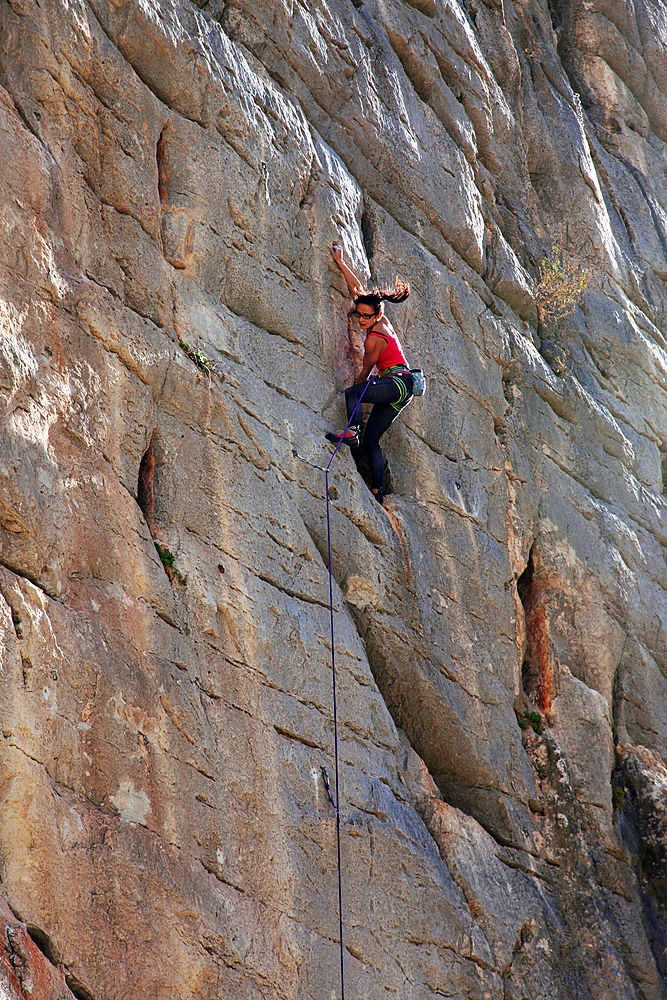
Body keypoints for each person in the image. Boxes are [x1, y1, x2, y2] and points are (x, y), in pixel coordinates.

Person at [326, 243, 413, 505]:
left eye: (365, 317)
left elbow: (364, 373)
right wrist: (341, 263)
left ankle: (352, 431)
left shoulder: (373, 339)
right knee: (372, 439)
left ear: (377, 314)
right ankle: (378, 490)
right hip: (402, 388)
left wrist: (355, 392)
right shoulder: (382, 319)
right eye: (359, 315)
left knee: (354, 392)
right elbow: (358, 292)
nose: (361, 320)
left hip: (396, 382)